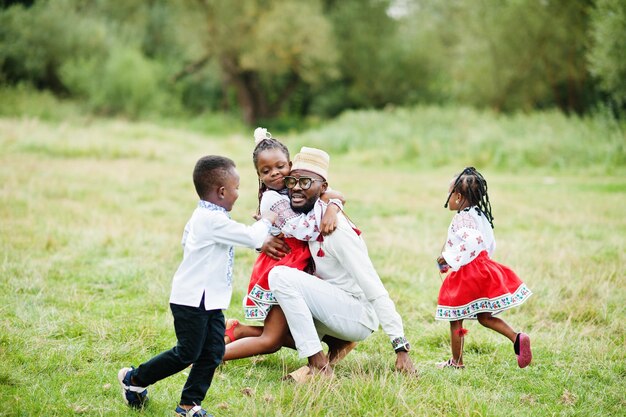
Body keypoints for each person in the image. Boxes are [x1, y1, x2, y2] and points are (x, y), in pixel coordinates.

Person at [117, 155, 277, 417]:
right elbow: (251, 237)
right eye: (237, 188)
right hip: (191, 300)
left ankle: (189, 405)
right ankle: (134, 379)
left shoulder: (211, 218)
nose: (238, 194)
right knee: (187, 352)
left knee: (213, 351)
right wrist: (268, 219)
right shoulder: (209, 220)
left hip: (210, 300)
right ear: (222, 191)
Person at [267, 146, 416, 379]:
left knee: (280, 276)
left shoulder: (336, 230)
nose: (296, 187)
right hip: (331, 305)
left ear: (323, 188)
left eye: (306, 182)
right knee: (277, 318)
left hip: (356, 314)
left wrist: (401, 347)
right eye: (292, 181)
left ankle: (318, 365)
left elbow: (374, 288)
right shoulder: (306, 221)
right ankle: (235, 337)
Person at [223, 128, 345, 362]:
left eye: (280, 167)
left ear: (290, 164)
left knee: (286, 331)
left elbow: (336, 193)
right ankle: (209, 358)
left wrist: (333, 206)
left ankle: (237, 330)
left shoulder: (294, 185)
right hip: (283, 265)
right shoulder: (272, 198)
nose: (275, 174)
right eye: (266, 171)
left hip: (298, 265)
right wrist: (325, 206)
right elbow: (305, 230)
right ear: (259, 175)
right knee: (271, 340)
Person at [435, 167, 533, 369]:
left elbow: (472, 240)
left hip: (468, 271)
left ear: (459, 196)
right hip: (483, 266)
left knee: (455, 317)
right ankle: (517, 338)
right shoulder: (480, 215)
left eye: (449, 193)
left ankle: (457, 362)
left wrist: (447, 258)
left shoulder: (462, 217)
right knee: (485, 317)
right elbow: (488, 243)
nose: (448, 197)